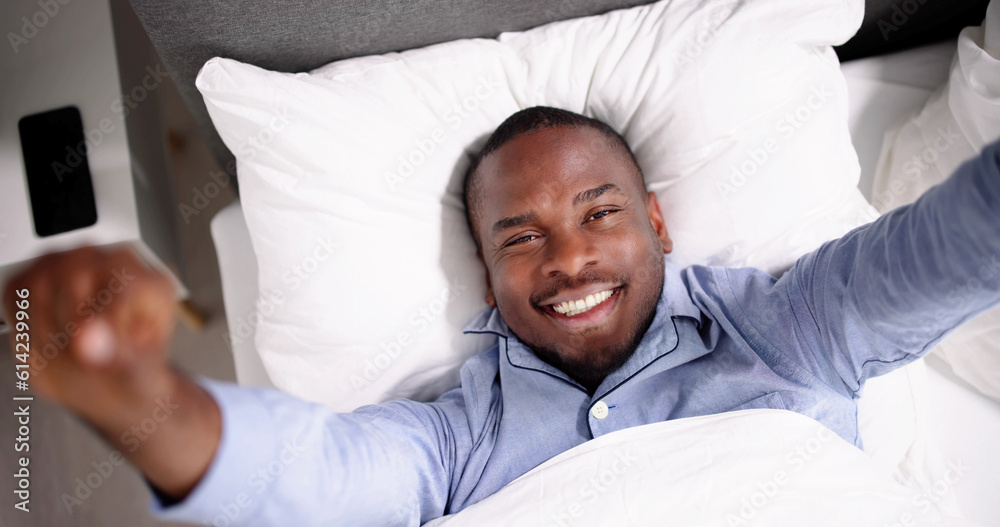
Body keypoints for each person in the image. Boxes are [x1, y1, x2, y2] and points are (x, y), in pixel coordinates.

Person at [5, 106, 999, 526]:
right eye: (518, 237)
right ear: (486, 277)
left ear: (655, 222)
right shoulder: (455, 436)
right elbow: (313, 473)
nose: (566, 256)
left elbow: (939, 249)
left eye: (597, 213)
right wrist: (136, 395)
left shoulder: (790, 328)